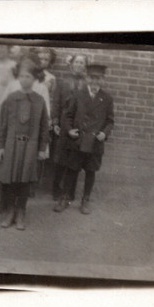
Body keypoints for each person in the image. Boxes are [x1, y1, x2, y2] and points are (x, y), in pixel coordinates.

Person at [0, 58, 50, 230]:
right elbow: (2, 124)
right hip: (12, 145)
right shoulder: (11, 99)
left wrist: (42, 148)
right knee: (11, 179)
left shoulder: (40, 101)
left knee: (24, 180)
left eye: (28, 76)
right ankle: (10, 210)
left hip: (30, 146)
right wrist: (0, 146)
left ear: (34, 79)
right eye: (21, 76)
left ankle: (21, 211)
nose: (24, 79)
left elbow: (44, 127)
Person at [54, 64, 114, 215]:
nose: (95, 81)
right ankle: (65, 198)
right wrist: (69, 130)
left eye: (98, 78)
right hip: (78, 140)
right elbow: (67, 115)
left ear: (103, 80)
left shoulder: (106, 99)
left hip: (95, 142)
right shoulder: (78, 95)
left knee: (90, 171)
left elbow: (110, 121)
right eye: (92, 78)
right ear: (87, 78)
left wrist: (104, 134)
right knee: (72, 170)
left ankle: (85, 200)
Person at [51, 53, 89, 201]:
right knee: (60, 158)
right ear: (71, 64)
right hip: (63, 123)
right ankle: (56, 189)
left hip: (78, 124)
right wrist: (55, 122)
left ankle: (70, 190)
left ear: (85, 67)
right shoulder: (62, 82)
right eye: (77, 62)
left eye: (82, 63)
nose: (79, 65)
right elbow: (56, 103)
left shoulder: (86, 84)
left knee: (75, 158)